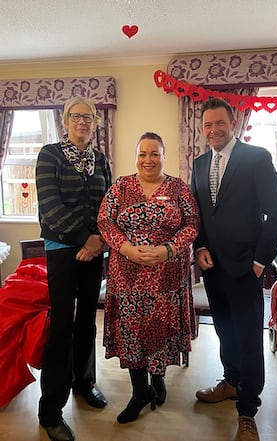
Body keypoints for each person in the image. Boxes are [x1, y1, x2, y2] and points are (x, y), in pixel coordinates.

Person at [191, 98, 277, 441]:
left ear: (233, 124)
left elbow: (276, 213)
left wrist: (261, 261)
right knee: (224, 331)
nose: (214, 130)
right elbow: (197, 213)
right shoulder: (200, 164)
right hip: (212, 267)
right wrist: (199, 246)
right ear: (202, 129)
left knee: (248, 337)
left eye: (220, 123)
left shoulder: (256, 158)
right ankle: (231, 382)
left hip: (247, 268)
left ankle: (247, 409)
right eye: (207, 125)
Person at [97, 132, 199, 424]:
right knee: (133, 331)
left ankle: (159, 377)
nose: (148, 160)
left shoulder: (178, 188)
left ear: (164, 156)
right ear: (136, 157)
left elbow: (192, 223)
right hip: (127, 275)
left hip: (167, 276)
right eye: (143, 154)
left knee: (160, 327)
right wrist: (127, 248)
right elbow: (105, 221)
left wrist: (169, 249)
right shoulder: (121, 187)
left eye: (155, 153)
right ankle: (140, 391)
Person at [36, 96, 111, 441]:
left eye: (89, 117)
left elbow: (107, 204)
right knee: (63, 324)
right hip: (63, 250)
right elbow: (50, 206)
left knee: (86, 323)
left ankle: (84, 383)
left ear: (96, 123)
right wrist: (86, 239)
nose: (83, 122)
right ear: (65, 120)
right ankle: (51, 410)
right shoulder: (49, 155)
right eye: (76, 116)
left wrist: (101, 240)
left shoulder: (100, 159)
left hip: (93, 250)